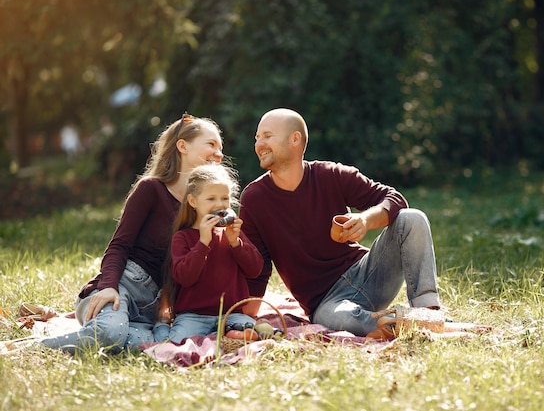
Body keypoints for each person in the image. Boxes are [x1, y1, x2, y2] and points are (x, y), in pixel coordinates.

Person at [239, 108, 440, 339]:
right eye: (257, 138)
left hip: (368, 274)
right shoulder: (254, 199)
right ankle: (388, 324)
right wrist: (243, 320)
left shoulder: (331, 174)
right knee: (335, 319)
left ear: (294, 139)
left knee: (411, 218)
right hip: (326, 302)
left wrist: (364, 220)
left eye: (266, 136)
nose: (259, 144)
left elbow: (395, 199)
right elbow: (259, 268)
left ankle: (428, 313)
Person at [39, 113, 225, 353]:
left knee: (154, 346)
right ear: (182, 146)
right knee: (109, 334)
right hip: (122, 286)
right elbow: (119, 246)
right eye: (211, 144)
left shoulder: (207, 206)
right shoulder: (151, 189)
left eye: (221, 148)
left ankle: (104, 334)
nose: (219, 154)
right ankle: (34, 349)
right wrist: (109, 286)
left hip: (153, 310)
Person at [153, 164, 263, 344]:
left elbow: (255, 269)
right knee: (174, 344)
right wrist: (203, 242)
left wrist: (236, 243)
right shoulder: (183, 237)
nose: (220, 204)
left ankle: (224, 336)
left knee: (252, 335)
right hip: (194, 316)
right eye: (211, 198)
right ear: (193, 201)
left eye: (225, 198)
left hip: (231, 314)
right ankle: (162, 327)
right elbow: (185, 277)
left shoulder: (232, 234)